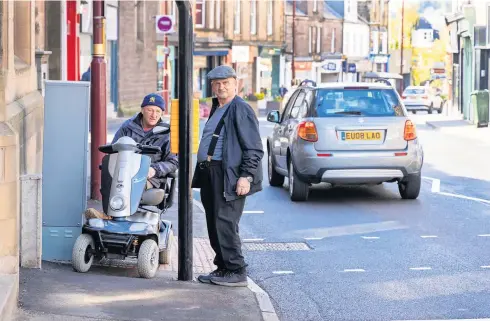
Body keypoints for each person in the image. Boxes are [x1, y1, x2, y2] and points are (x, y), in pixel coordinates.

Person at [192, 65, 264, 287]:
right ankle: (223, 267)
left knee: (225, 223)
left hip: (229, 174)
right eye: (217, 84)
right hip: (211, 172)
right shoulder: (218, 107)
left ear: (236, 84)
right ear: (212, 86)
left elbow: (254, 148)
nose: (221, 87)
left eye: (226, 83)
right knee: (213, 222)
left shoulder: (240, 108)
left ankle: (236, 270)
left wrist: (246, 176)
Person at [111, 93, 178, 189]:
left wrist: (154, 170)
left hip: (151, 178)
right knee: (110, 186)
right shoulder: (127, 126)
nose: (154, 115)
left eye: (158, 111)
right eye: (150, 110)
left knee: (131, 187)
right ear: (142, 110)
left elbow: (173, 162)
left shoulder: (166, 133)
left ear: (162, 113)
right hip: (124, 173)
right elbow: (113, 149)